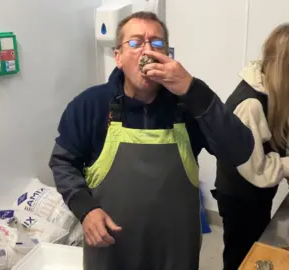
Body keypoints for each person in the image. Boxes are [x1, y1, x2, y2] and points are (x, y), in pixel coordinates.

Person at [49, 11, 256, 270]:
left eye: (157, 44)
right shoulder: (89, 105)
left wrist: (193, 90)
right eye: (135, 43)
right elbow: (63, 163)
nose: (147, 50)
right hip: (111, 250)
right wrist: (85, 209)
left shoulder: (189, 105)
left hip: (175, 254)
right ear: (118, 57)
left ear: (167, 55)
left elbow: (241, 150)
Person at [212, 23, 289, 270]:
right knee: (241, 258)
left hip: (256, 195)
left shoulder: (271, 90)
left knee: (254, 250)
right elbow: (256, 169)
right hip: (240, 197)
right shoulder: (251, 104)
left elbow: (271, 143)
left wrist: (288, 169)